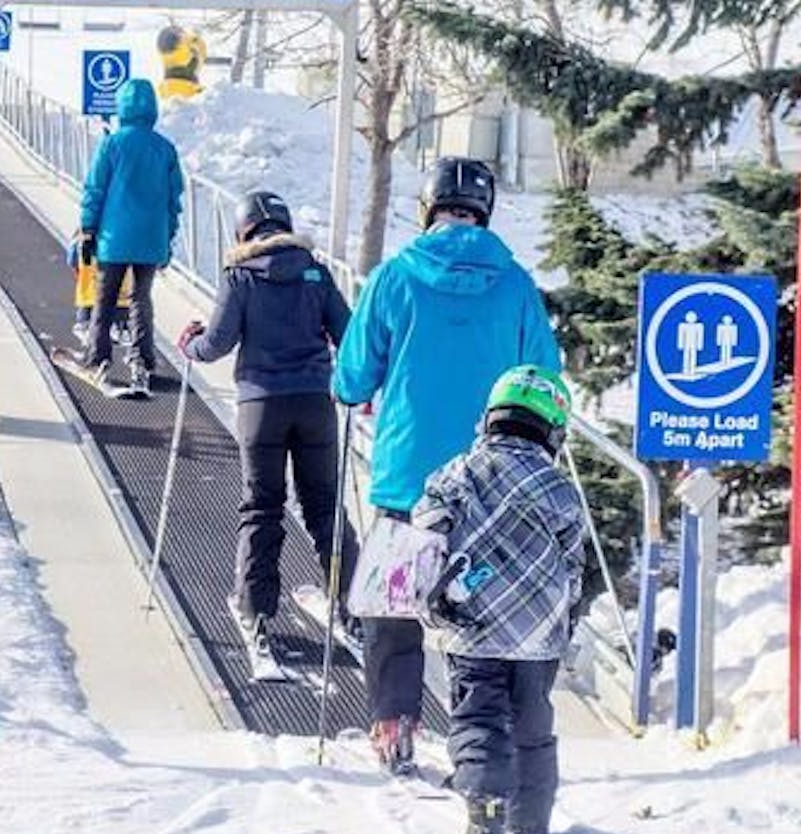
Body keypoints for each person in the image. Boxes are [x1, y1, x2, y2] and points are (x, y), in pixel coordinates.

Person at [332, 157, 562, 777]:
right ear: (483, 212)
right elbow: (544, 375)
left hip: (408, 475)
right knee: (485, 604)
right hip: (495, 483)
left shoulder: (393, 278)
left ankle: (392, 724)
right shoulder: (515, 285)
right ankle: (488, 739)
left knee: (395, 602)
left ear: (428, 207)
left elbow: (352, 378)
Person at [177, 191, 358, 682]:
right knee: (324, 507)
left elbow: (216, 344)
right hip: (315, 403)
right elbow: (350, 334)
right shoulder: (316, 273)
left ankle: (257, 613)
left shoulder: (240, 276)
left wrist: (188, 342)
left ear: (244, 231)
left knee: (262, 508)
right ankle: (351, 604)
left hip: (261, 406)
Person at [412, 365, 584, 834]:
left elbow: (427, 524)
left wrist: (428, 589)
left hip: (474, 623)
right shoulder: (558, 488)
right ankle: (530, 818)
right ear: (553, 431)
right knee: (533, 721)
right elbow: (574, 561)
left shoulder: (458, 472)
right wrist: (566, 619)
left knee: (478, 717)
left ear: (489, 419)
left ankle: (486, 808)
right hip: (538, 632)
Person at [53, 78, 183, 398]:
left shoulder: (112, 144)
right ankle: (142, 361)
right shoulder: (165, 149)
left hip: (113, 238)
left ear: (121, 107)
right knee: (142, 299)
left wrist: (88, 229)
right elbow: (173, 200)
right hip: (150, 238)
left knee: (105, 298)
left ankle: (97, 358)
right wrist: (167, 239)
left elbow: (94, 190)